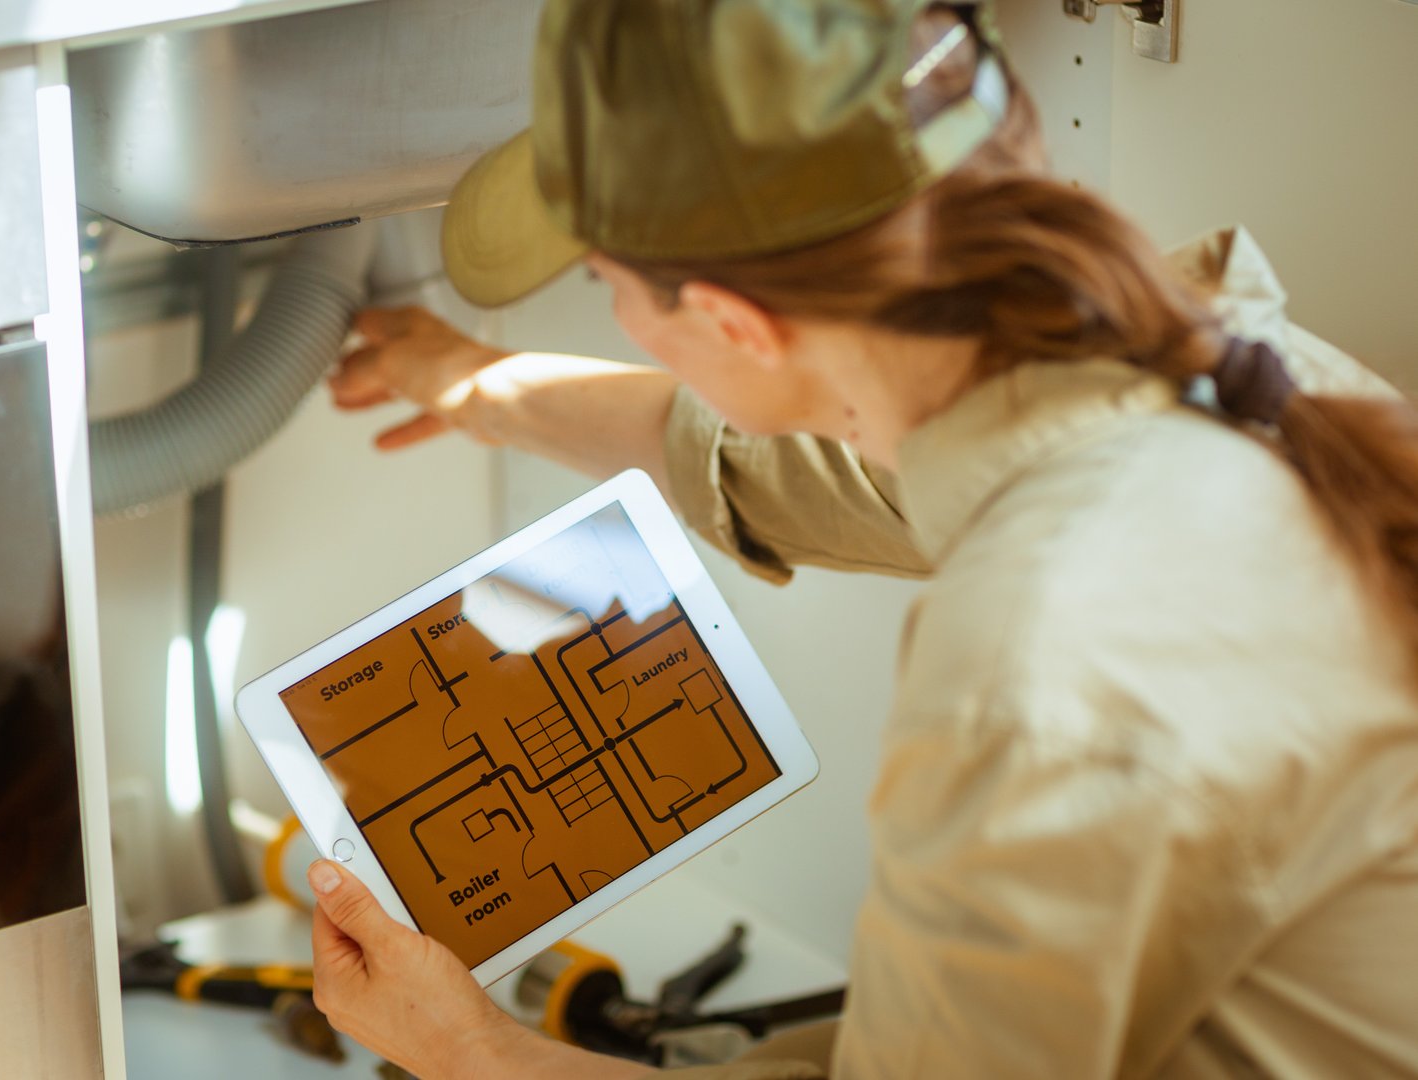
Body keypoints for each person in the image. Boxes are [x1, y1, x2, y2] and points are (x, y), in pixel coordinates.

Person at [298, 1, 1418, 1076]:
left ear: (735, 323)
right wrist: (470, 382)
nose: (608, 306)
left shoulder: (1040, 661)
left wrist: (466, 1051)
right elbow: (775, 461)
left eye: (604, 281)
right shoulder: (1213, 377)